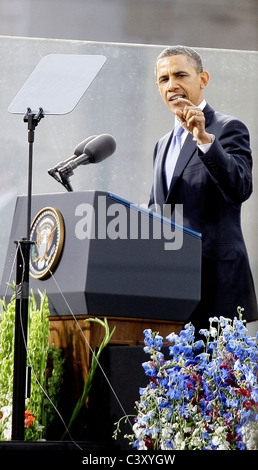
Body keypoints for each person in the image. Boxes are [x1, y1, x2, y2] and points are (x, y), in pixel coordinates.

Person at [149, 45, 258, 333]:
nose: (172, 85)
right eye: (164, 79)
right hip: (172, 290)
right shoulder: (161, 145)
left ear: (203, 79)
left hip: (217, 290)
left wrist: (205, 141)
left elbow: (240, 187)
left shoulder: (227, 128)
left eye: (180, 75)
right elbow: (157, 212)